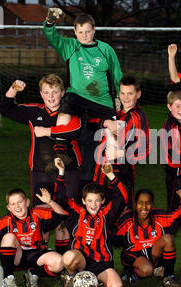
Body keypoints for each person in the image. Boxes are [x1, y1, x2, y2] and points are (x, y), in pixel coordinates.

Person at [0, 74, 81, 255]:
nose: (51, 97)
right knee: (41, 216)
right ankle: (40, 260)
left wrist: (46, 131)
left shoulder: (71, 111)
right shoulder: (34, 111)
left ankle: (65, 261)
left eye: (55, 92)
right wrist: (13, 89)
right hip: (40, 171)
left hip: (68, 171)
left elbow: (74, 130)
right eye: (46, 93)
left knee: (65, 215)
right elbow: (5, 108)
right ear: (41, 94)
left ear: (63, 92)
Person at [43, 10, 123, 194]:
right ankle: (60, 152)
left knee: (105, 145)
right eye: (80, 32)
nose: (84, 36)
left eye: (87, 31)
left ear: (94, 30)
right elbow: (51, 36)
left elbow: (117, 74)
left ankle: (114, 182)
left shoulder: (105, 49)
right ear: (75, 32)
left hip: (101, 103)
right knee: (65, 109)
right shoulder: (70, 46)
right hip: (77, 98)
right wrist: (50, 20)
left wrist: (119, 96)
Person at [51, 158, 128, 287]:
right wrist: (61, 172)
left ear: (103, 201)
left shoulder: (106, 215)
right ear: (83, 201)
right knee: (68, 257)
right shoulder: (76, 213)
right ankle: (71, 276)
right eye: (90, 200)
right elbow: (61, 197)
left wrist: (110, 175)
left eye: (97, 201)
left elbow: (122, 197)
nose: (93, 205)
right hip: (81, 260)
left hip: (101, 263)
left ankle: (93, 280)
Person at [0, 188, 66, 287]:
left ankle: (33, 275)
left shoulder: (38, 214)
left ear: (27, 202)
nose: (17, 206)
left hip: (37, 254)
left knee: (59, 262)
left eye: (20, 202)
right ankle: (8, 278)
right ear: (9, 208)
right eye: (13, 204)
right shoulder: (7, 221)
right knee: (8, 237)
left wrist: (50, 202)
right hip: (17, 256)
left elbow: (61, 214)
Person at [91, 76, 149, 208]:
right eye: (122, 93)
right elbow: (90, 123)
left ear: (138, 94)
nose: (126, 97)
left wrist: (122, 153)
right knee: (100, 211)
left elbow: (144, 150)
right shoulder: (114, 112)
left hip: (122, 173)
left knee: (121, 214)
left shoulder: (138, 116)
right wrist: (106, 122)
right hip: (101, 170)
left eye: (130, 93)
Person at [113, 189, 181, 287]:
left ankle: (169, 276)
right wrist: (116, 218)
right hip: (135, 256)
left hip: (153, 253)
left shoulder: (159, 216)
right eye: (140, 203)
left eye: (148, 203)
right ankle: (130, 272)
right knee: (146, 270)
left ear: (152, 205)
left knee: (168, 239)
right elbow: (114, 239)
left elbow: (179, 216)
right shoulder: (127, 220)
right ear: (135, 204)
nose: (144, 207)